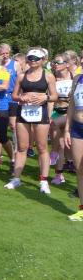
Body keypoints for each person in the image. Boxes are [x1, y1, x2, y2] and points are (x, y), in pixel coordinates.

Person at [5, 48, 58, 195]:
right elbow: (14, 95)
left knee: (42, 147)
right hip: (24, 112)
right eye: (30, 58)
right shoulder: (22, 76)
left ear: (42, 60)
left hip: (40, 113)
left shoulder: (48, 76)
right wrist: (21, 98)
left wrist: (45, 97)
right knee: (22, 147)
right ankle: (16, 178)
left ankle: (44, 180)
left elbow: (55, 96)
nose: (33, 61)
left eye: (36, 58)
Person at [50, 53, 73, 184]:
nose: (55, 64)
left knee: (54, 124)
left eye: (58, 62)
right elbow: (50, 100)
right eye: (54, 62)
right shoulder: (52, 78)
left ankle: (53, 152)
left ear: (67, 64)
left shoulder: (74, 78)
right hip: (56, 111)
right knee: (61, 144)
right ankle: (59, 175)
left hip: (70, 113)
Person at [63, 71, 83, 221]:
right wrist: (67, 129)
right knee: (80, 170)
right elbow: (71, 105)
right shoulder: (77, 78)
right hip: (77, 128)